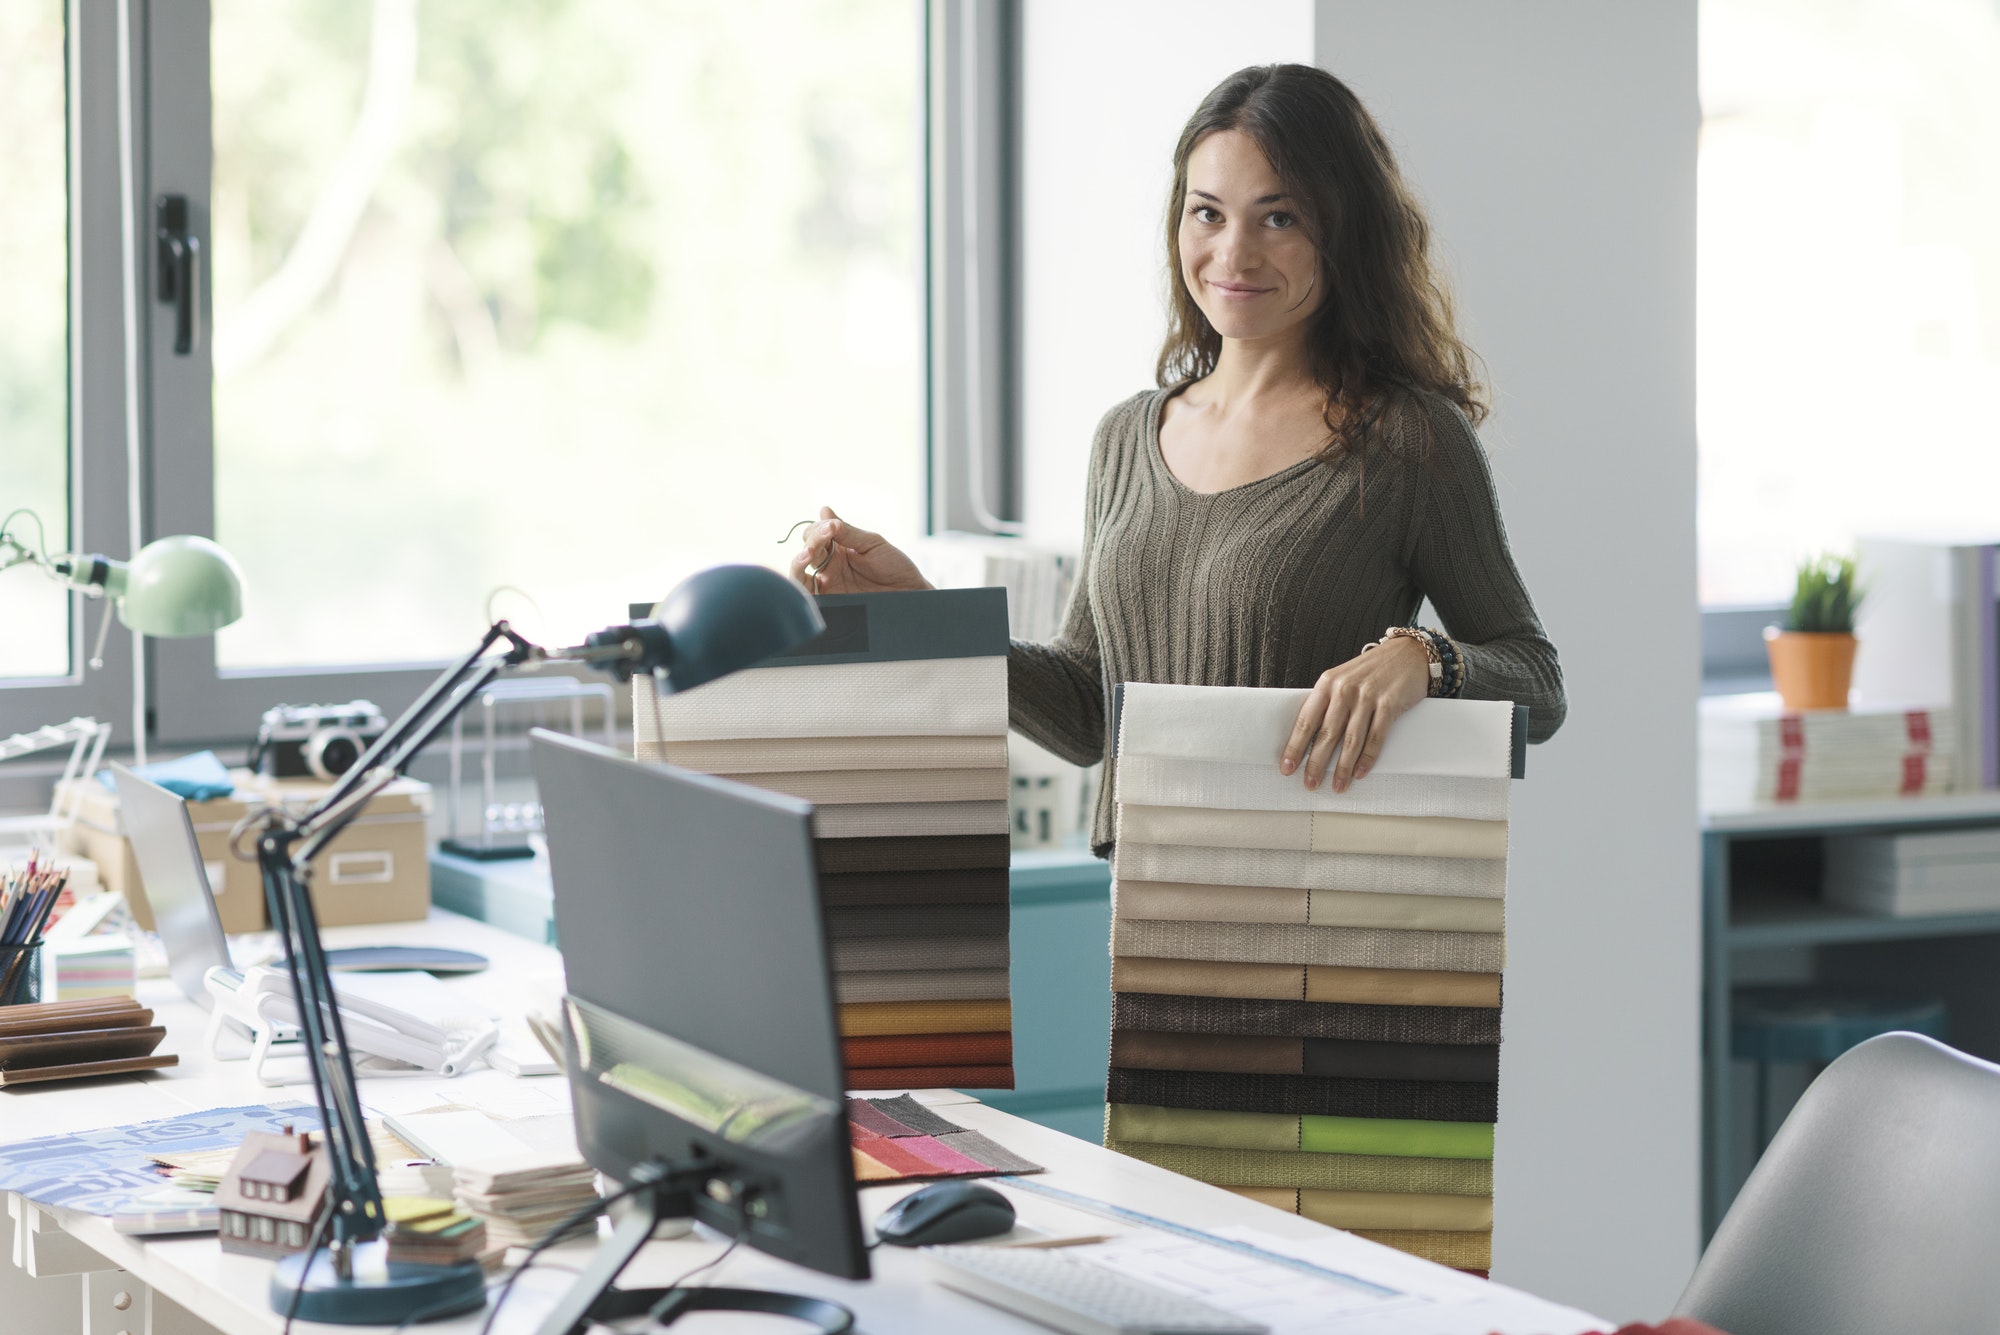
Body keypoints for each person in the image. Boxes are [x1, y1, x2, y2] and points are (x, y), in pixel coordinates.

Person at [793, 63, 1563, 854]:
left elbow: (1539, 683)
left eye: (1279, 218)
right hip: (1147, 909)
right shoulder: (1125, 439)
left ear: (1344, 231)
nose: (1235, 253)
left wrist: (1421, 658)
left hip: (1319, 907)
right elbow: (1089, 713)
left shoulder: (1407, 440)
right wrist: (924, 612)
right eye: (1208, 213)